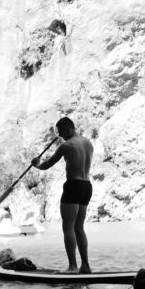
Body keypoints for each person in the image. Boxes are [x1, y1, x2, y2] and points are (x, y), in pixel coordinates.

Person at [31, 116, 94, 273]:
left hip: (73, 185)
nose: (61, 136)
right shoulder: (88, 143)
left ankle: (72, 266)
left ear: (68, 128)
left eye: (61, 132)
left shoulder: (66, 146)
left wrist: (36, 164)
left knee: (68, 228)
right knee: (79, 227)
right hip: (87, 186)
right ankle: (85, 266)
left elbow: (46, 165)